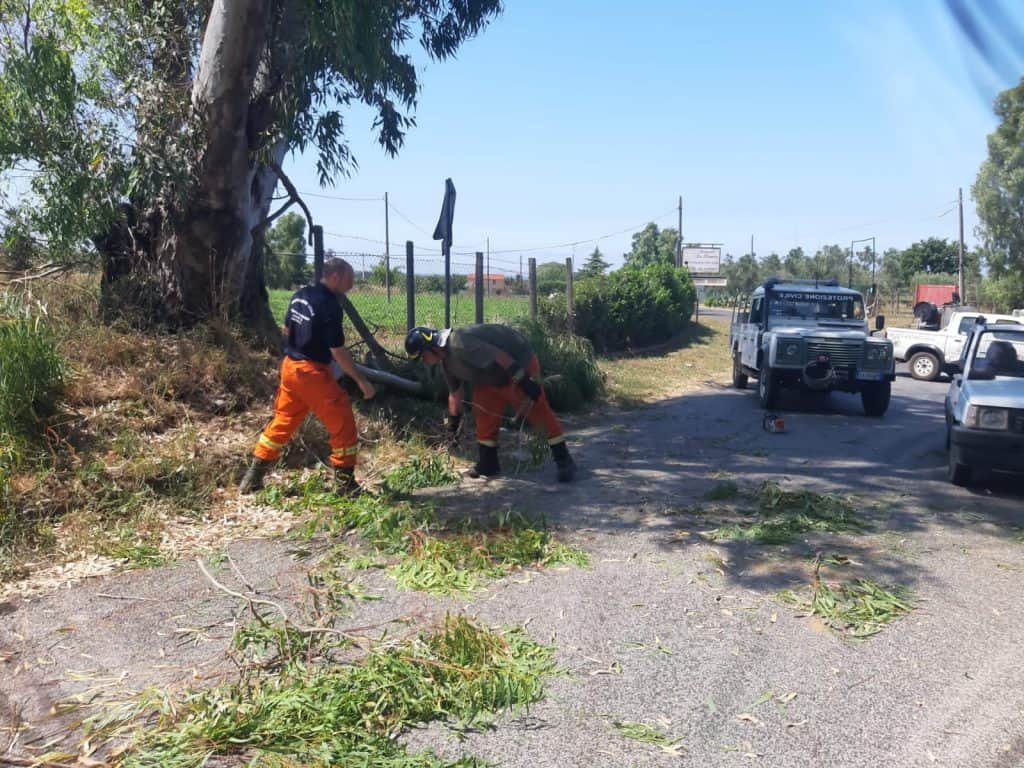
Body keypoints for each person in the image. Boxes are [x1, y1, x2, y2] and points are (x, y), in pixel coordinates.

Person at [239, 258, 376, 494]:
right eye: (349, 280)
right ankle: (345, 485)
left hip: (290, 368)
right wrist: (361, 380)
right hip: (312, 372)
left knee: (282, 422)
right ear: (335, 277)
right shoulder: (330, 304)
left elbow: (287, 330)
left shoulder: (301, 294)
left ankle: (252, 478)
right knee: (343, 423)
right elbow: (338, 350)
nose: (352, 285)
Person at [404, 324, 577, 482]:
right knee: (484, 412)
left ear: (431, 347)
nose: (424, 362)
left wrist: (524, 381)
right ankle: (489, 463)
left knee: (536, 411)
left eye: (422, 357)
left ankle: (564, 459)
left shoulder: (459, 343)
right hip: (490, 376)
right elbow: (455, 395)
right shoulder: (447, 364)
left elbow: (500, 357)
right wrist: (453, 428)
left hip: (517, 363)